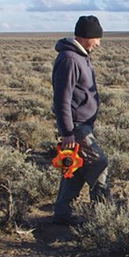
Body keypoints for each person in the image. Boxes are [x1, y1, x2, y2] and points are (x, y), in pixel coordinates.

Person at [51, 15, 111, 225]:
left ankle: (62, 213)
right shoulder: (70, 59)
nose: (99, 43)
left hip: (81, 125)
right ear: (87, 37)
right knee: (99, 163)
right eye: (97, 38)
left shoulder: (80, 56)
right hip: (76, 127)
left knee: (75, 168)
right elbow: (62, 99)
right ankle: (103, 214)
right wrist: (67, 131)